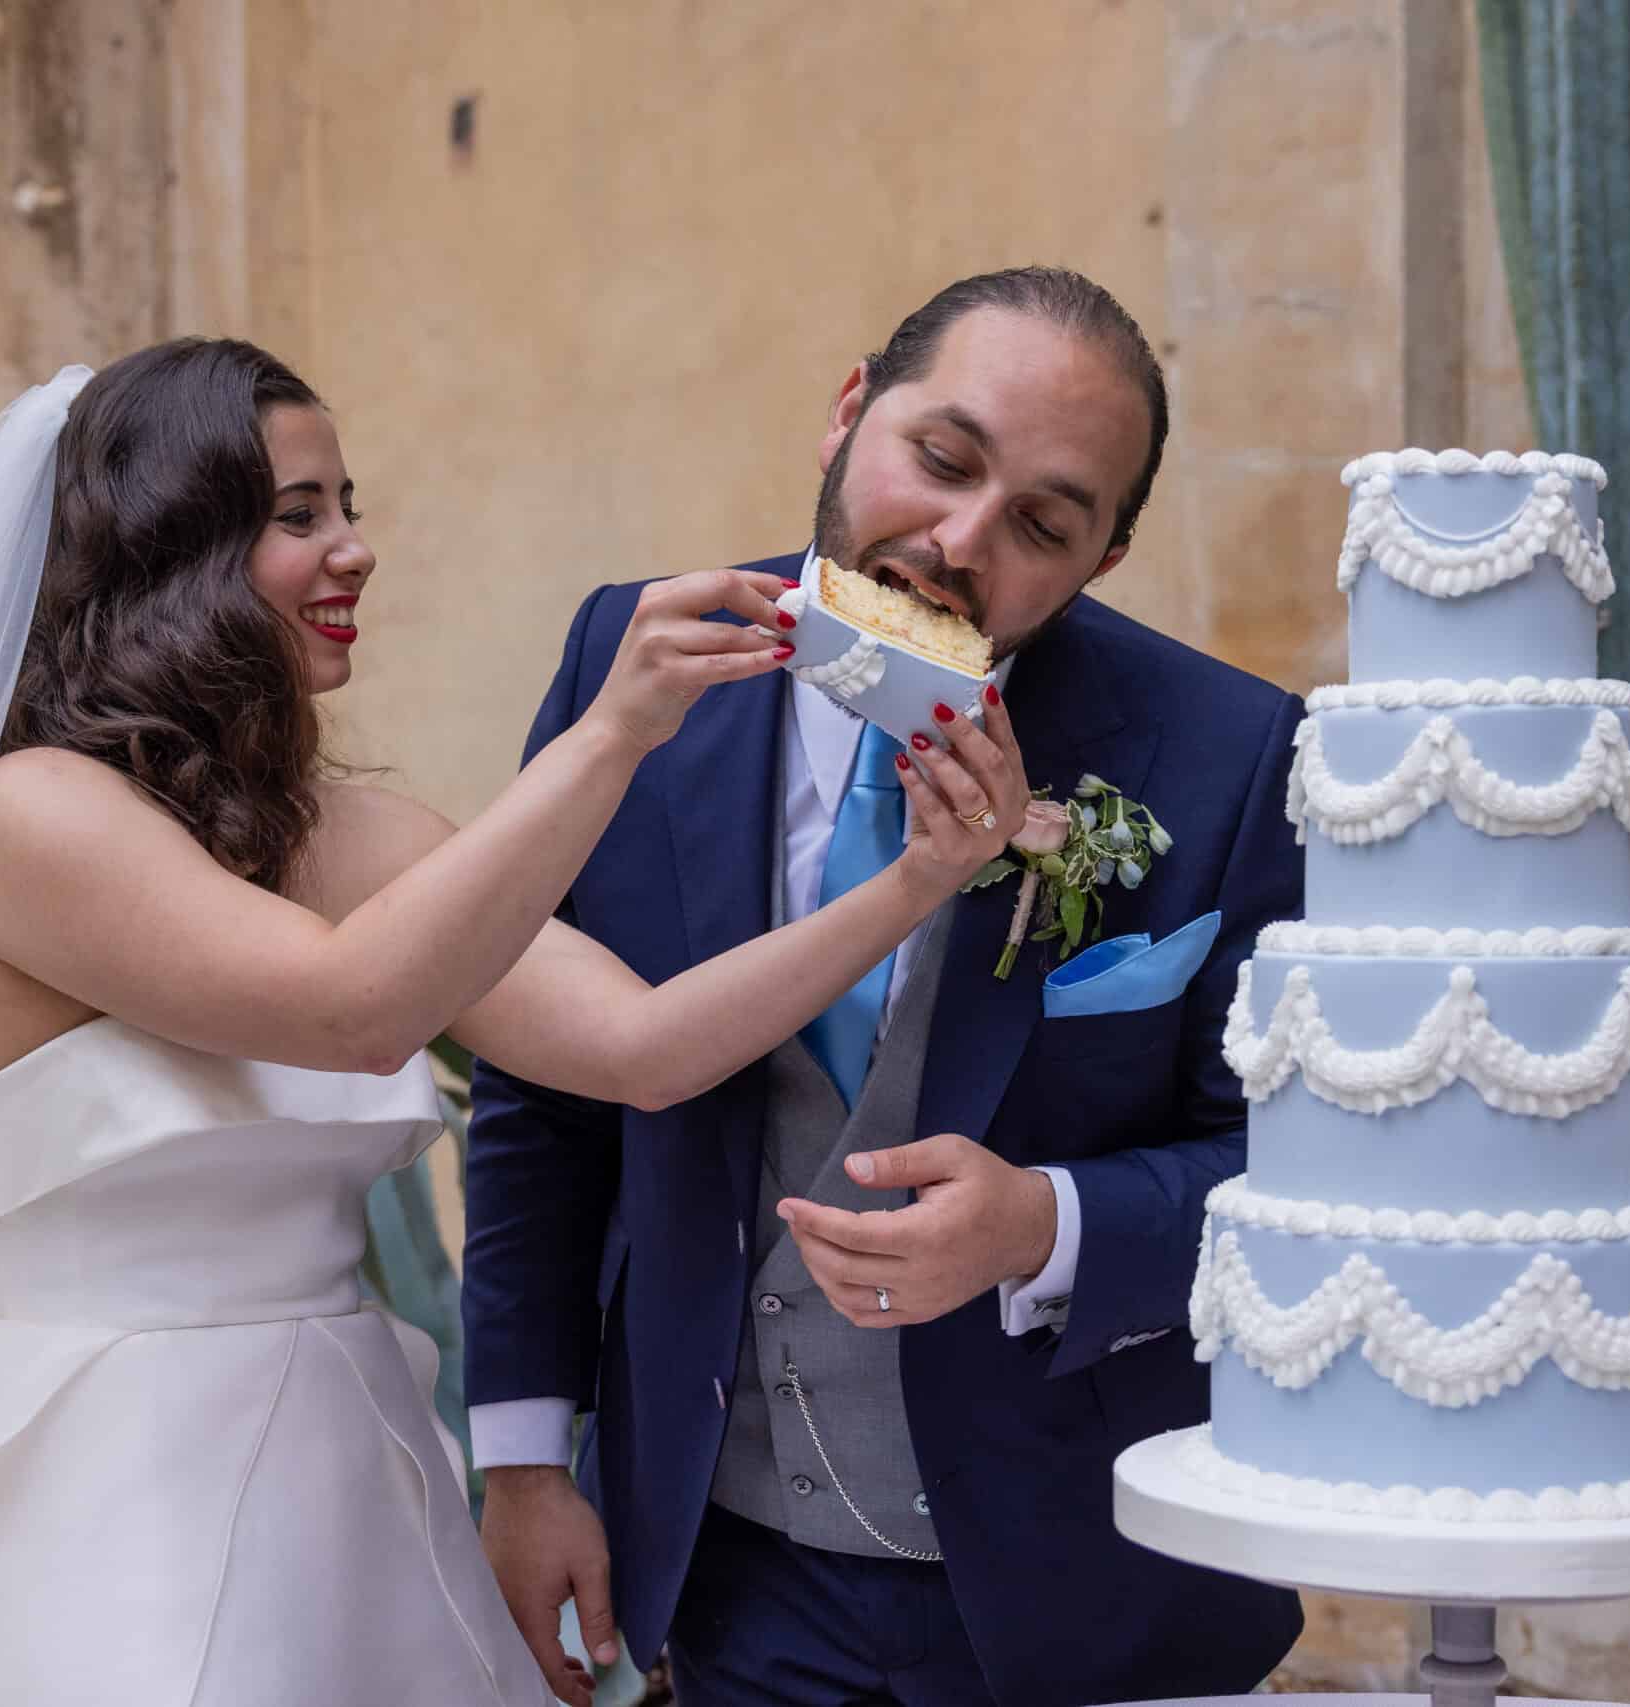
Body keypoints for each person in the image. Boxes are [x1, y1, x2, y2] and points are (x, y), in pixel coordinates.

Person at [0, 337, 1028, 1707]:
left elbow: (644, 1049)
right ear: (168, 553)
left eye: (349, 508)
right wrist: (614, 735)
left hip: (340, 1477)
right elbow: (354, 1008)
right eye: (298, 514)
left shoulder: (355, 835)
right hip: (94, 1490)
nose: (353, 547)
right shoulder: (29, 819)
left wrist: (918, 881)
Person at [464, 267, 1309, 1707]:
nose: (959, 540)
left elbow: (1303, 1184)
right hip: (727, 1574)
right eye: (942, 458)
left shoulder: (1232, 754)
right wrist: (528, 1461)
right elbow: (544, 1096)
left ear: (1101, 562)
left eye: (1043, 524)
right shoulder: (634, 658)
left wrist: (1049, 1223)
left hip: (1088, 1591)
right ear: (850, 413)